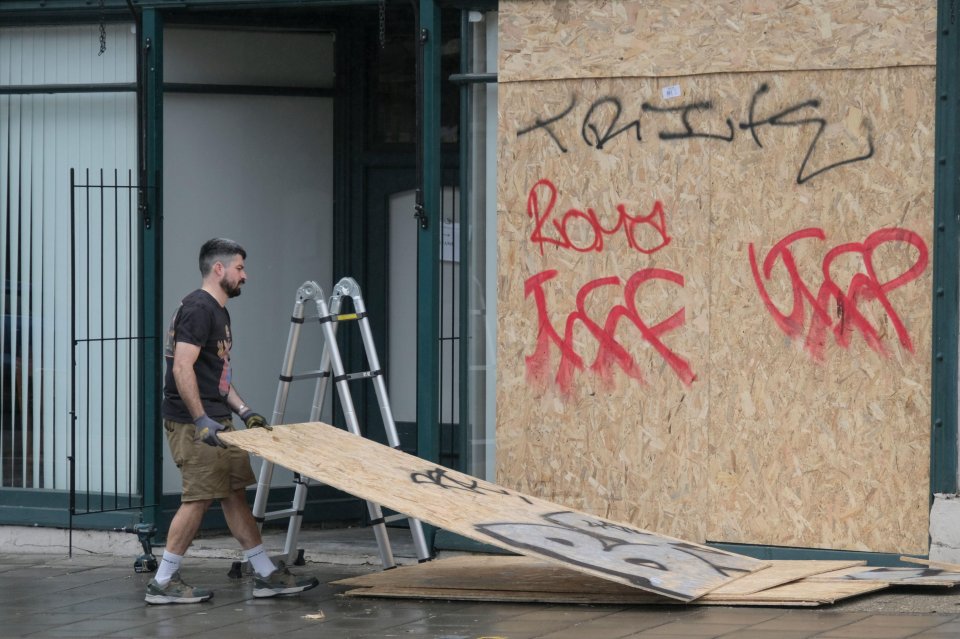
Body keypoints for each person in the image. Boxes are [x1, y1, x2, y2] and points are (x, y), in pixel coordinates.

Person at [145, 238, 318, 605]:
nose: (246, 275)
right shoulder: (198, 309)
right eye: (239, 268)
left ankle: (266, 574)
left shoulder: (218, 311)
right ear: (218, 269)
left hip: (217, 419)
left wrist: (244, 411)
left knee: (233, 494)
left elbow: (217, 375)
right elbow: (181, 367)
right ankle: (163, 580)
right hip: (194, 423)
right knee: (200, 497)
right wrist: (201, 419)